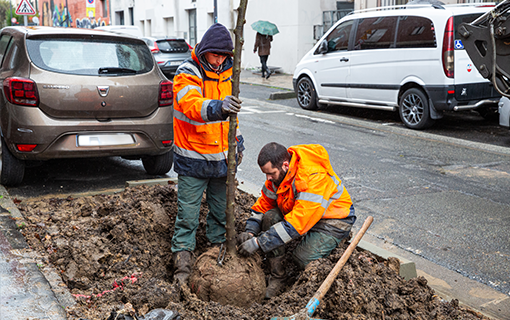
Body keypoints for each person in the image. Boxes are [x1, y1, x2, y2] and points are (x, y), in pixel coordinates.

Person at [171, 23, 245, 286]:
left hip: (221, 163)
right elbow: (191, 104)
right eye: (216, 55)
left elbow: (229, 121)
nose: (220, 60)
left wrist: (236, 144)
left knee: (220, 214)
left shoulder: (228, 73)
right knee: (187, 217)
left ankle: (216, 260)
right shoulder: (187, 72)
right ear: (204, 51)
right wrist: (218, 107)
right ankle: (182, 270)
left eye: (225, 56)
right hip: (192, 160)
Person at [238, 142, 356, 299]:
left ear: (285, 165)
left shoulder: (311, 177)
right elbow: (263, 205)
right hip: (304, 215)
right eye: (265, 174)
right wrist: (250, 231)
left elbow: (295, 225)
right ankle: (278, 277)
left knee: (302, 258)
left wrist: (258, 243)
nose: (268, 178)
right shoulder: (277, 177)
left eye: (271, 173)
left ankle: (331, 245)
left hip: (333, 220)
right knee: (270, 217)